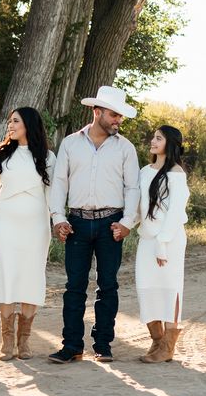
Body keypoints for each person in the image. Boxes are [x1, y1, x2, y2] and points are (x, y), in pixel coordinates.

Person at [48, 86, 140, 364]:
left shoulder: (125, 148)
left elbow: (133, 188)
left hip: (110, 224)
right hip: (76, 222)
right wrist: (58, 218)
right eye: (114, 115)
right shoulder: (70, 144)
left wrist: (126, 223)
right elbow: (59, 183)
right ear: (97, 112)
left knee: (107, 286)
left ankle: (103, 344)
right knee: (74, 286)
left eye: (120, 117)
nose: (118, 121)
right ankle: (72, 345)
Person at [0, 107, 56, 361]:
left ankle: (24, 341)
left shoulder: (48, 158)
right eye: (9, 121)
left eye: (15, 121)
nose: (10, 125)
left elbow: (52, 195)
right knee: (6, 277)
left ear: (29, 124)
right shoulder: (2, 154)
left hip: (36, 225)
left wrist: (59, 221)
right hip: (6, 222)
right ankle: (7, 340)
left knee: (31, 278)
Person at [127, 125, 189, 363]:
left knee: (170, 288)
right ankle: (157, 339)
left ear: (169, 143)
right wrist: (126, 225)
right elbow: (141, 207)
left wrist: (162, 243)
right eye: (153, 137)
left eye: (158, 138)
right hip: (147, 239)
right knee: (146, 287)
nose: (152, 141)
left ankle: (168, 346)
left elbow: (174, 212)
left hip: (169, 241)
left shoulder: (176, 173)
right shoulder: (145, 171)